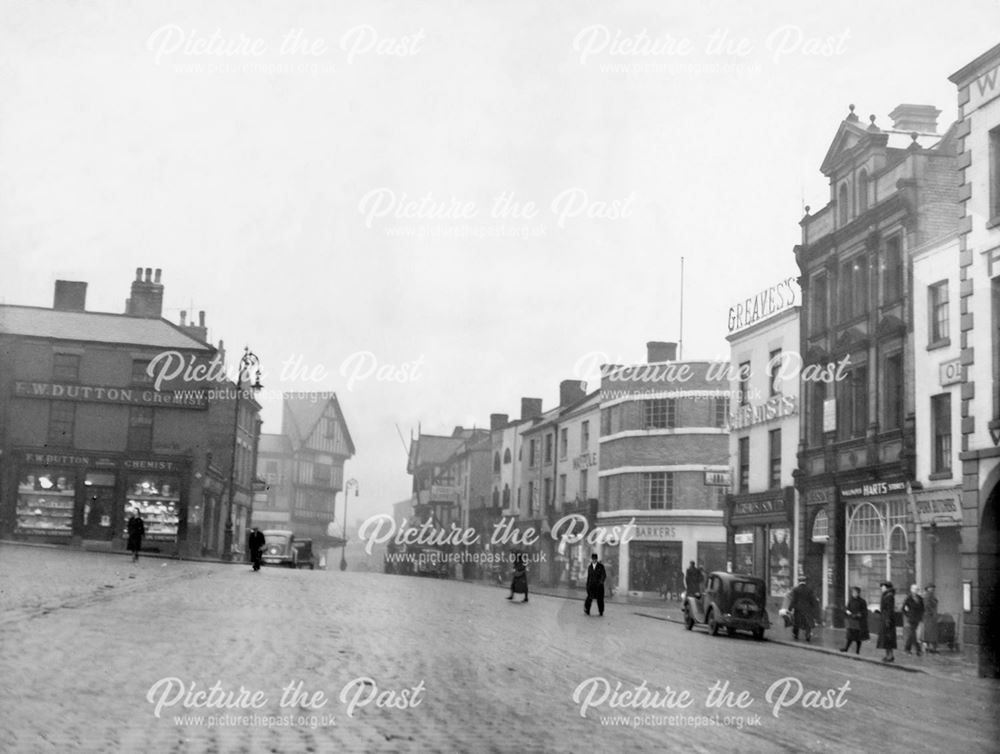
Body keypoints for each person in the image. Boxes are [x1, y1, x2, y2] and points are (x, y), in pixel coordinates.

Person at [788, 576, 818, 642]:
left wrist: (790, 608)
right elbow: (812, 599)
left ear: (799, 581)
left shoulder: (796, 589)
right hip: (807, 609)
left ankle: (796, 635)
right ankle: (807, 635)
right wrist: (814, 607)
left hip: (798, 609)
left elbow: (794, 600)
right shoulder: (809, 589)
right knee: (807, 622)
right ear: (805, 581)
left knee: (797, 622)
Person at [840, 586, 870, 654]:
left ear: (858, 593)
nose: (853, 593)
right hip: (851, 620)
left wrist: (858, 615)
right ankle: (846, 648)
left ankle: (857, 651)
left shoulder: (862, 601)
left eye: (855, 592)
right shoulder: (851, 600)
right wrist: (847, 612)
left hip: (859, 621)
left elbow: (864, 611)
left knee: (858, 637)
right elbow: (847, 608)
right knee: (850, 636)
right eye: (852, 592)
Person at [877, 580, 897, 663]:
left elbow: (889, 609)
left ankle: (890, 655)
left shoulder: (889, 596)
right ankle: (888, 655)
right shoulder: (887, 595)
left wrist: (887, 619)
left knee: (888, 638)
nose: (881, 588)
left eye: (883, 587)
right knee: (886, 638)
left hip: (887, 620)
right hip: (885, 618)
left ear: (886, 587)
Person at [902, 583, 925, 656]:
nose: (916, 591)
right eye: (914, 589)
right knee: (913, 633)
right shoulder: (908, 598)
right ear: (911, 590)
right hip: (911, 618)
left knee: (912, 634)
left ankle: (907, 649)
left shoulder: (920, 598)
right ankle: (918, 650)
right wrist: (908, 614)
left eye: (917, 589)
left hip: (917, 618)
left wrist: (921, 615)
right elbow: (903, 608)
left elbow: (922, 608)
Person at [923, 584, 939, 654]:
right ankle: (930, 647)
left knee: (930, 632)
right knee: (930, 632)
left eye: (933, 588)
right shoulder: (928, 595)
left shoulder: (930, 595)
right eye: (931, 588)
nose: (932, 589)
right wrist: (931, 613)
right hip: (929, 616)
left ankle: (929, 647)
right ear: (928, 588)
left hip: (930, 616)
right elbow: (927, 605)